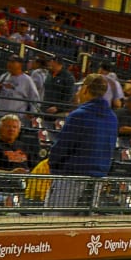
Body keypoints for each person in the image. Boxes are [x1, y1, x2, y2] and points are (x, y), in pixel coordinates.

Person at [45, 75, 119, 209]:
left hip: (71, 177)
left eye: (80, 88)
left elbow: (62, 147)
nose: (78, 92)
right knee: (83, 225)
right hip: (97, 179)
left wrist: (53, 164)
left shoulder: (79, 115)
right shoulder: (112, 118)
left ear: (85, 89)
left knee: (56, 223)